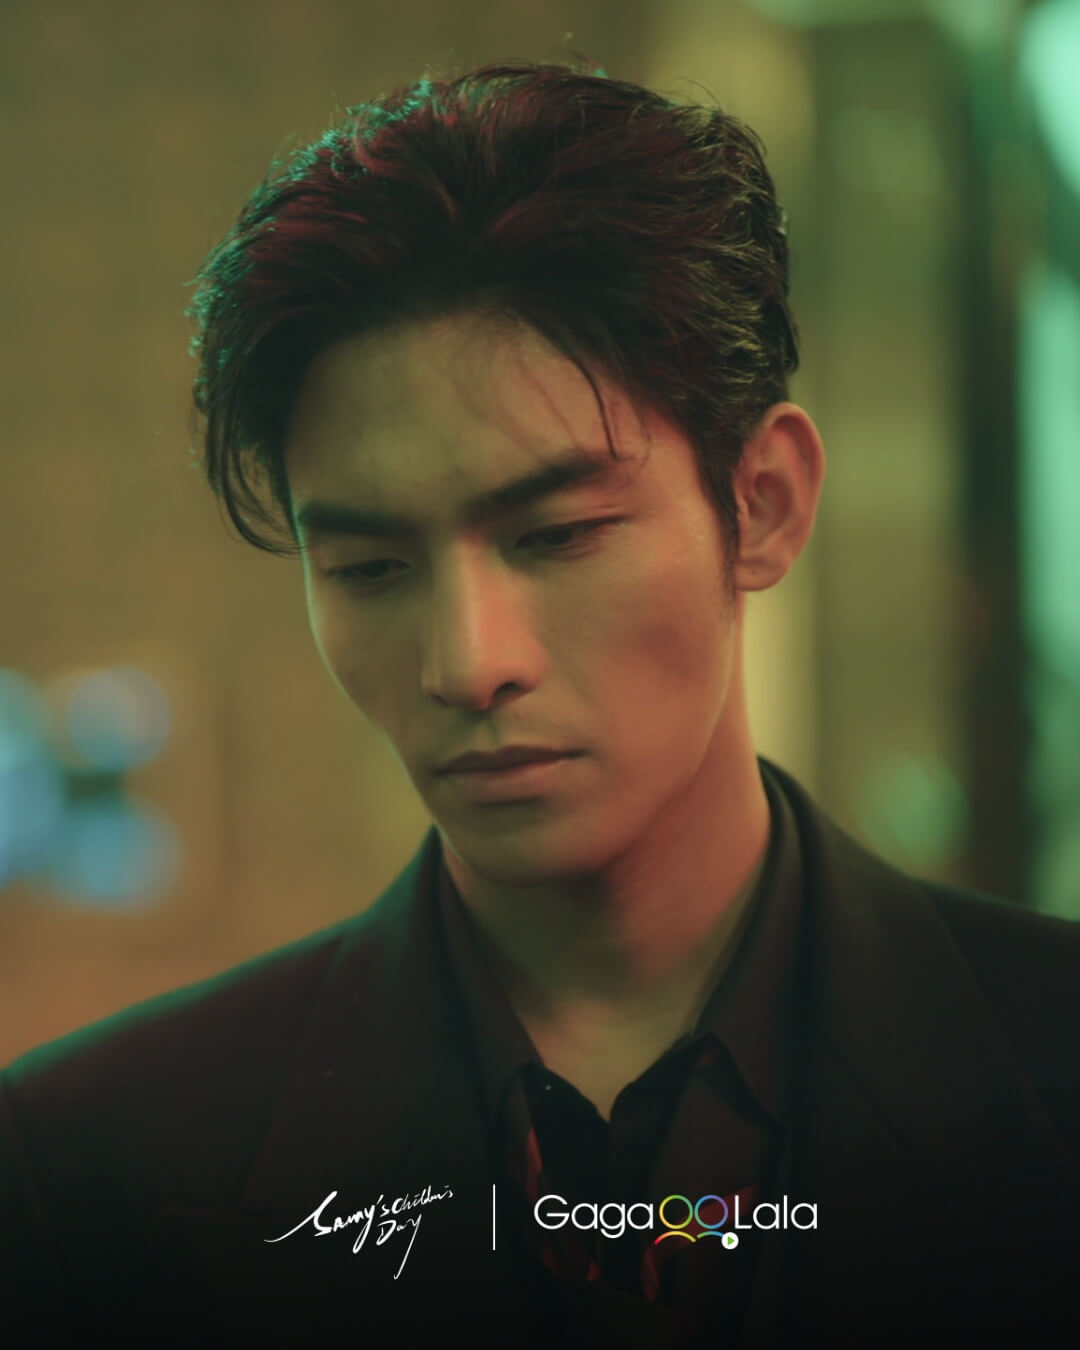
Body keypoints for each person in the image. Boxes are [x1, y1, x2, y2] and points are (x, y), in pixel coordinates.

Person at [2, 57, 1077, 1349]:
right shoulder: (90, 1170)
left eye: (557, 534)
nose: (468, 661)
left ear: (763, 503)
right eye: (370, 567)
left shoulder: (1048, 1067)